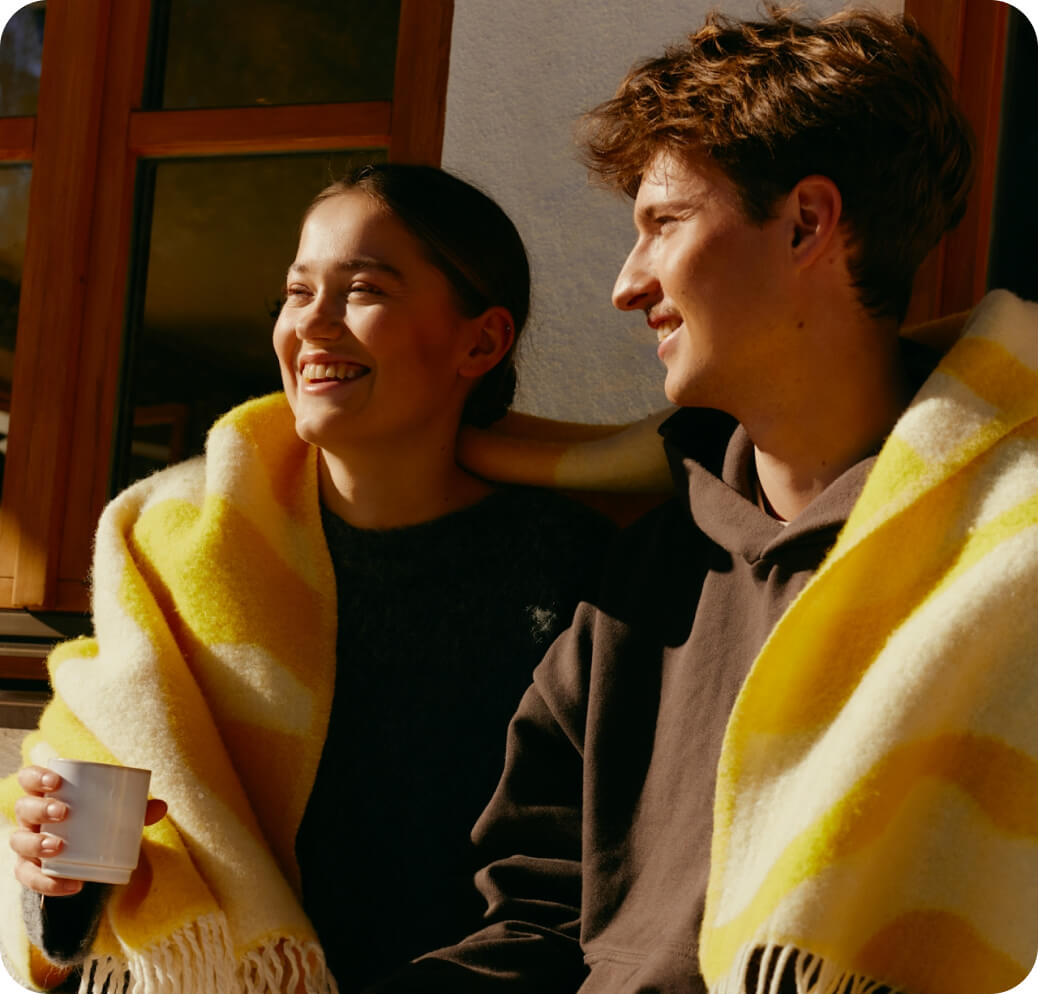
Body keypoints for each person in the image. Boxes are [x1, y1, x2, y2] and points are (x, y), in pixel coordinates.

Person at [366, 8, 1038, 994]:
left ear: (809, 223)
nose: (625, 285)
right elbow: (542, 921)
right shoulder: (645, 582)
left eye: (664, 225)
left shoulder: (1004, 564)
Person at [0, 163, 619, 993]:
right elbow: (77, 843)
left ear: (482, 340)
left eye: (362, 290)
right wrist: (55, 869)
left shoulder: (576, 569)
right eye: (297, 293)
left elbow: (585, 880)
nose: (313, 326)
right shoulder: (182, 543)